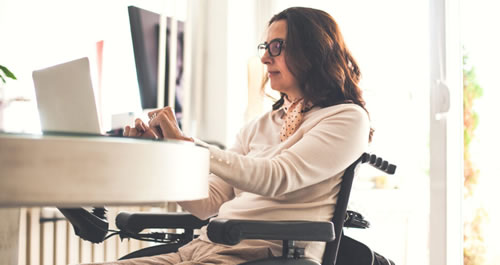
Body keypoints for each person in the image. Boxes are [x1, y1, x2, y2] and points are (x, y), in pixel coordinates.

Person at [111, 6, 372, 265]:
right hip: (201, 250)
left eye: (277, 47)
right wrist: (164, 155)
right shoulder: (259, 125)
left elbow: (275, 177)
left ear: (313, 51)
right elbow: (208, 202)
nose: (265, 59)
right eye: (265, 47)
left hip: (259, 257)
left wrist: (188, 146)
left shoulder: (345, 118)